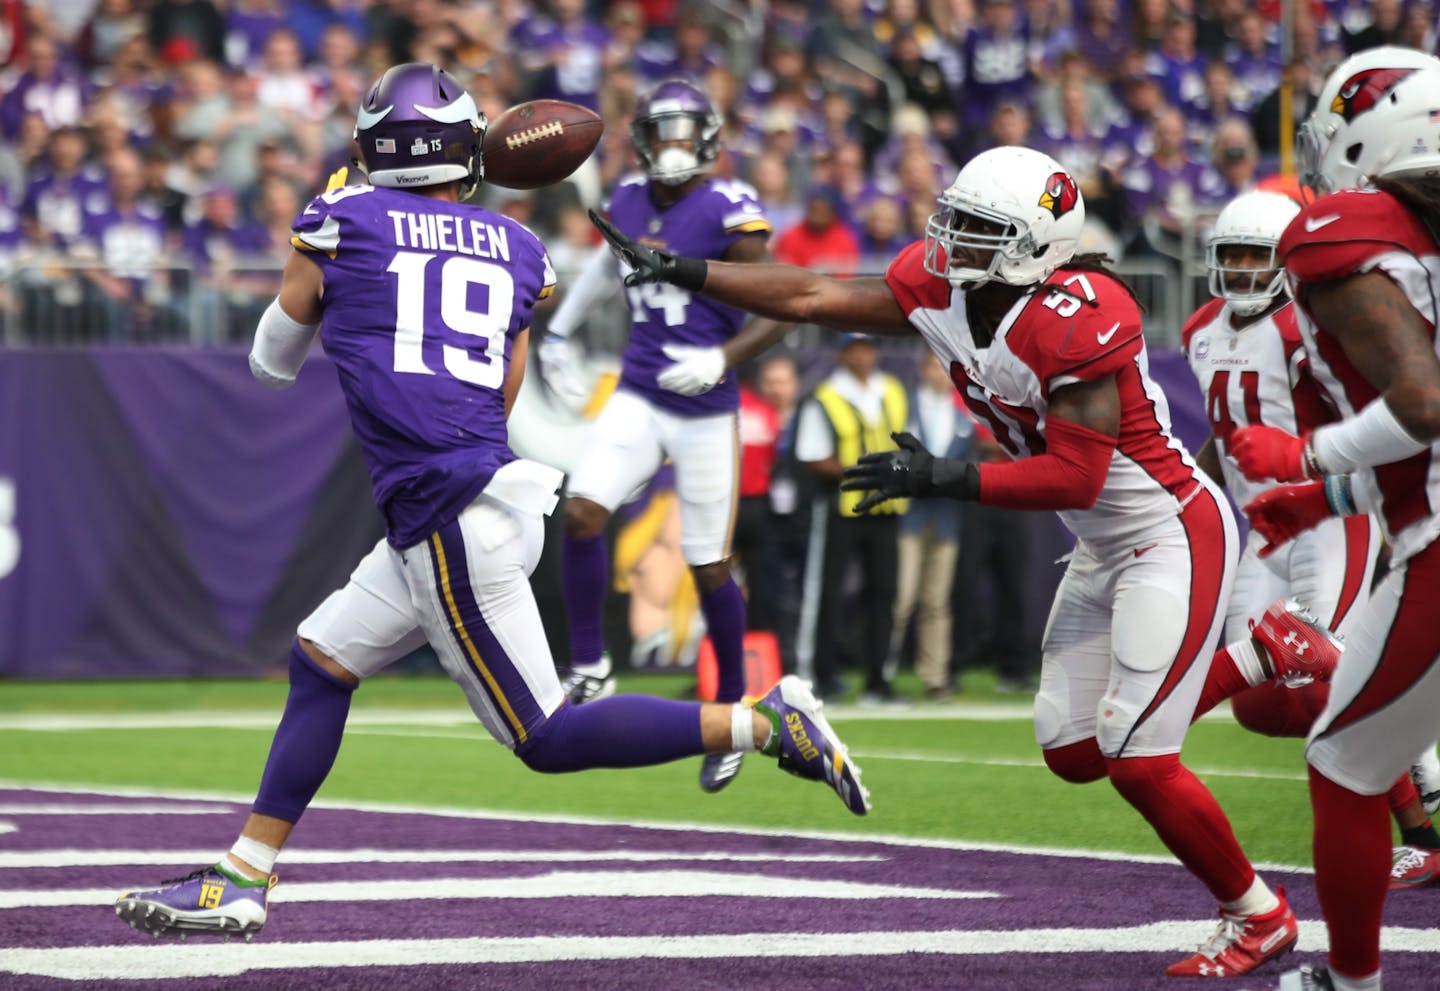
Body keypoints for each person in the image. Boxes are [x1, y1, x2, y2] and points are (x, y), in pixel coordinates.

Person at [112, 62, 869, 943]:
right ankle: (242, 876)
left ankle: (763, 721)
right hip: (471, 495)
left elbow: (270, 360)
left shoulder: (341, 216)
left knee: (545, 738)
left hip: (446, 515)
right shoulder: (516, 246)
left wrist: (320, 246)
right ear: (468, 149)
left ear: (370, 145)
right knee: (322, 660)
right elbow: (498, 398)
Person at [588, 143, 1343, 979]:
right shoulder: (947, 288)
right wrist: (686, 271)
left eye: (977, 228)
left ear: (1034, 243)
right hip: (1099, 541)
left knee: (1137, 757)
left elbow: (1077, 471)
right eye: (955, 216)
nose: (949, 236)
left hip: (1169, 530)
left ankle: (1259, 914)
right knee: (1071, 749)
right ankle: (1266, 651)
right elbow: (811, 292)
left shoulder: (1083, 309)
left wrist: (941, 474)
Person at [1224, 48, 1440, 991]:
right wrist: (1326, 497)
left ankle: (1351, 985)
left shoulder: (1341, 233)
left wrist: (1306, 458)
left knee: (1345, 760)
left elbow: (1424, 407)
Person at [535, 78, 790, 794]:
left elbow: (783, 307)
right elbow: (606, 266)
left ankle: (731, 705)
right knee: (582, 508)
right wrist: (560, 325)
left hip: (708, 402)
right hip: (643, 388)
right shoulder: (628, 198)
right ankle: (591, 663)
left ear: (706, 141)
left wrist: (724, 356)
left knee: (709, 564)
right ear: (644, 141)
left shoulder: (731, 207)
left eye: (684, 133)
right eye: (662, 133)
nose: (672, 147)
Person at [1183, 189, 1440, 888]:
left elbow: (1377, 411)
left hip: (1328, 518)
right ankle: (1413, 759)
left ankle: (1425, 815)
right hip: (1262, 528)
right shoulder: (1201, 328)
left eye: (1253, 256)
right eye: (1229, 256)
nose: (1239, 270)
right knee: (1264, 702)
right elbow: (1226, 432)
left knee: (1338, 669)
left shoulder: (1312, 324)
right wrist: (1186, 489)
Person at [794, 334, 908, 704]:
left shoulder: (891, 389)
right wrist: (860, 471)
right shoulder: (825, 396)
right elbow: (810, 455)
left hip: (886, 505)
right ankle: (821, 676)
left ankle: (878, 679)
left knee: (884, 593)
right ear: (842, 353)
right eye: (855, 349)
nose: (864, 356)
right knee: (827, 591)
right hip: (840, 505)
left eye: (869, 348)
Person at [888, 351, 969, 702]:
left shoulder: (963, 415)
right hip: (910, 513)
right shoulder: (903, 408)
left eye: (944, 368)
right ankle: (884, 669)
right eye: (933, 367)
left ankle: (935, 675)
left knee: (937, 600)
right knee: (902, 597)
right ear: (922, 371)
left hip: (947, 517)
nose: (939, 374)